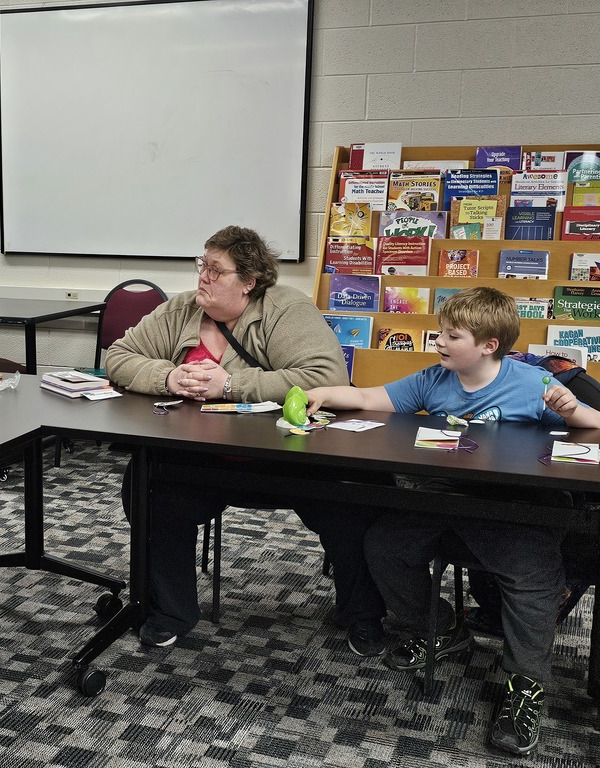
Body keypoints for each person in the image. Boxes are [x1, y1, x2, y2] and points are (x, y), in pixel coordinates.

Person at [304, 286, 600, 756]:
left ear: (488, 345)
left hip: (513, 502)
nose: (439, 342)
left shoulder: (532, 383)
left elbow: (590, 425)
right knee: (384, 545)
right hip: (444, 496)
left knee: (531, 577)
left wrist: (574, 412)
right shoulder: (432, 379)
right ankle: (442, 629)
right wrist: (320, 392)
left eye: (451, 335)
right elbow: (368, 397)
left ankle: (525, 686)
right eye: (440, 332)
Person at [106, 225, 387, 655]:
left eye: (216, 270)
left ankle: (363, 615)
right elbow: (119, 356)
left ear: (249, 282)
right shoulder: (182, 309)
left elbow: (326, 378)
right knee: (146, 487)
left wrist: (231, 385)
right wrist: (169, 376)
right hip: (202, 459)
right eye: (203, 264)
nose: (203, 276)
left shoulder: (285, 308)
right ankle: (170, 610)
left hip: (287, 457)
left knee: (354, 503)